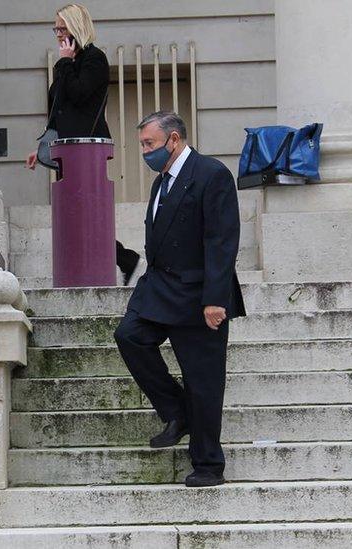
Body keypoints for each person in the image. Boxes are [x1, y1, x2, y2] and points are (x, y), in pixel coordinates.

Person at [113, 111, 246, 488]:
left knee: (203, 380)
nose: (144, 152)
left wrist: (215, 298)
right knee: (129, 336)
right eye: (142, 145)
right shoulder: (161, 183)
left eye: (148, 144)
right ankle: (177, 411)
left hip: (200, 294)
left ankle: (208, 466)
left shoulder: (211, 174)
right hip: (161, 289)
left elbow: (221, 240)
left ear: (173, 140)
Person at [25, 3, 143, 285]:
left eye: (62, 28)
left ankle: (122, 259)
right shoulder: (64, 63)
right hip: (65, 149)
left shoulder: (95, 60)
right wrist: (43, 147)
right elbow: (57, 109)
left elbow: (79, 94)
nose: (57, 34)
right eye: (55, 28)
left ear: (77, 27)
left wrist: (66, 62)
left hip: (88, 148)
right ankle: (123, 259)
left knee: (88, 209)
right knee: (74, 210)